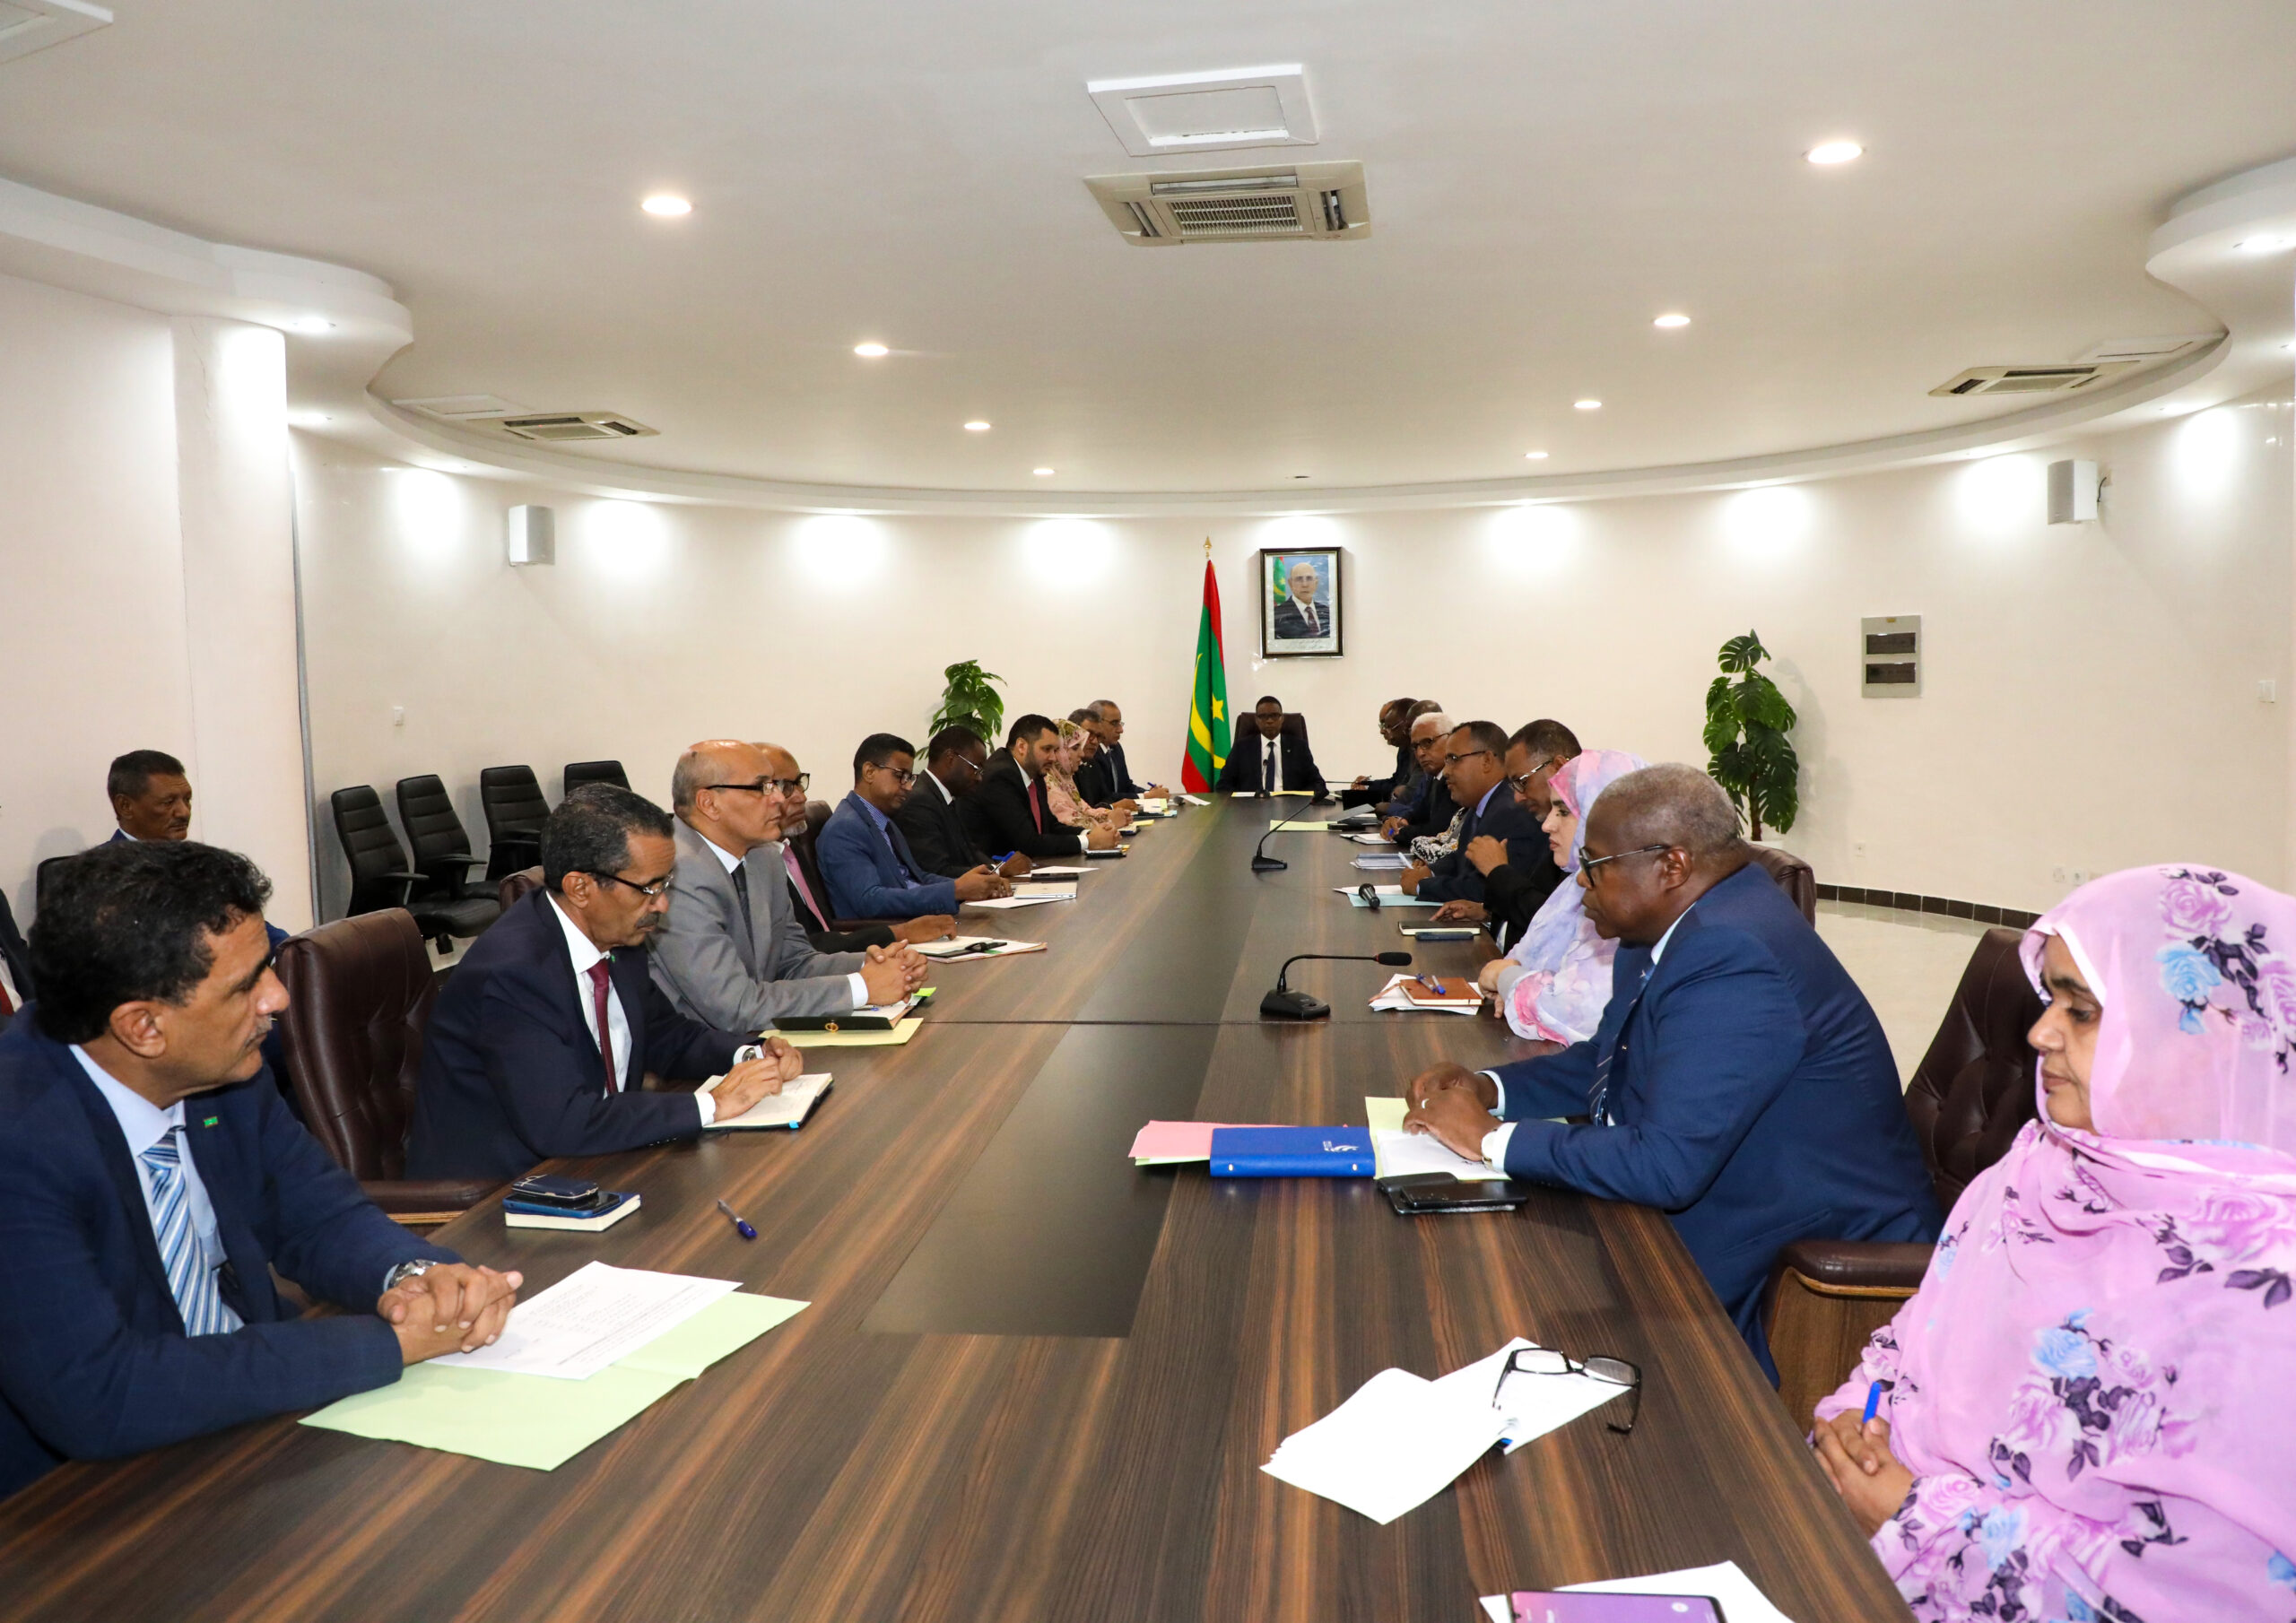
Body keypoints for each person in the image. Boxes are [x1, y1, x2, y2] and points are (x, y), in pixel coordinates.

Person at [1813, 866, 2296, 1622]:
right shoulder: (2038, 1169)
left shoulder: (2264, 1291)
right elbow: (1907, 1349)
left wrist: (1918, 1517)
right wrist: (1853, 1422)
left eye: (2082, 1010)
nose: (2040, 1033)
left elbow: (2198, 1593)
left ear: (2205, 1037)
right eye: (2050, 1001)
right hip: (1853, 1551)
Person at [0, 839, 522, 1499]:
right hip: (75, 1500)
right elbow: (103, 1394)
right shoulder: (19, 1145)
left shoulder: (221, 1070)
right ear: (143, 1028)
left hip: (247, 1426)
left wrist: (416, 1278)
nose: (277, 998)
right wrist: (389, 1344)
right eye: (247, 985)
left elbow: (316, 1216)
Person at [1402, 764, 1939, 1376]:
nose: (1581, 882)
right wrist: (1490, 1088)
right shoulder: (1663, 926)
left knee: (1503, 1316)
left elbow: (1667, 1166)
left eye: (1596, 864)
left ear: (1671, 866)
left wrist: (1490, 1139)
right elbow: (1613, 1056)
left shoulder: (1734, 954)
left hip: (1808, 1264)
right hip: (1724, 1199)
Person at [404, 784, 802, 1184]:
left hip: (597, 1160)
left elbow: (666, 1036)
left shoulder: (616, 934)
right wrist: (712, 1104)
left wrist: (750, 1054)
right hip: (503, 1192)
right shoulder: (512, 974)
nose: (662, 904)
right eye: (649, 888)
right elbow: (563, 1122)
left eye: (666, 884)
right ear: (581, 888)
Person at [650, 740, 928, 1034]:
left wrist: (878, 965)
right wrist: (861, 987)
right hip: (700, 1052)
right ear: (709, 803)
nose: (778, 799)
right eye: (762, 788)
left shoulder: (764, 856)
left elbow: (795, 962)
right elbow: (734, 1006)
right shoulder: (672, 873)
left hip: (763, 1038)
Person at [1476, 750, 1647, 1044]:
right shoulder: (1573, 886)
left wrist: (1506, 981)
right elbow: (1519, 963)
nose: (1547, 824)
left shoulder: (1627, 897)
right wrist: (1510, 985)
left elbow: (1577, 1011)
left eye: (1564, 812)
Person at [757, 744, 952, 950]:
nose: (802, 797)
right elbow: (798, 947)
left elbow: (915, 877)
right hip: (838, 953)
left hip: (837, 954)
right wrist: (900, 933)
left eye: (799, 783)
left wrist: (955, 890)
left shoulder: (790, 847)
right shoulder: (844, 827)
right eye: (785, 786)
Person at [818, 733, 1010, 921]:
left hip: (916, 921)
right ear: (869, 772)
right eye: (900, 775)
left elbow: (918, 878)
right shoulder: (845, 828)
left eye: (910, 777)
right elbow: (871, 901)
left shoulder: (884, 821)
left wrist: (974, 885)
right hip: (886, 933)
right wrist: (955, 890)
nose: (909, 787)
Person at [1425, 719, 1580, 945]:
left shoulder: (1588, 839)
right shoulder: (1545, 822)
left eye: (1521, 781)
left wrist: (1497, 871)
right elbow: (1541, 903)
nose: (1517, 797)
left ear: (1557, 767)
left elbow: (1560, 924)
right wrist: (1487, 913)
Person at [1401, 721, 1549, 909]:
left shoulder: (1512, 811)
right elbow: (1463, 858)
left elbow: (1487, 888)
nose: (1446, 771)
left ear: (1486, 760)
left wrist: (1422, 886)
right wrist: (1430, 871)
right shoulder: (1483, 803)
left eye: (1453, 759)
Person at [962, 715, 1121, 859]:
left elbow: (1050, 826)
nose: (1053, 758)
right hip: (996, 870)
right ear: (1022, 746)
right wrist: (1088, 842)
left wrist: (1091, 833)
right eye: (1047, 749)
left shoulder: (1035, 773)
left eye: (1055, 750)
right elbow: (1028, 842)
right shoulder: (1001, 776)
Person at [891, 726, 1034, 883]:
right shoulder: (920, 803)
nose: (979, 778)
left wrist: (999, 866)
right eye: (976, 768)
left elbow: (970, 852)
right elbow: (936, 871)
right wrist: (998, 871)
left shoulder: (947, 797)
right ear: (950, 759)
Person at [1214, 696, 1327, 798]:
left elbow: (1318, 783)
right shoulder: (1241, 748)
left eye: (1274, 716)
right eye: (1263, 717)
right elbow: (1223, 786)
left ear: (1282, 718)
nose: (1269, 721)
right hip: (1251, 807)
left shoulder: (1299, 747)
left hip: (1290, 807)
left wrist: (1297, 801)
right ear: (1256, 720)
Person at [1380, 708, 1456, 842]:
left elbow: (1438, 832)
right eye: (1415, 746)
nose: (1420, 753)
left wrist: (1398, 832)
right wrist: (1396, 821)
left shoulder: (1456, 779)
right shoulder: (1433, 777)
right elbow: (1417, 813)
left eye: (1428, 742)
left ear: (1450, 739)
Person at [1048, 719, 1130, 833]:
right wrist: (1110, 821)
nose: (1081, 754)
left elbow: (1084, 810)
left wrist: (1109, 814)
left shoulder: (1064, 780)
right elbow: (1068, 823)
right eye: (1075, 748)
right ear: (1058, 750)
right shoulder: (1047, 785)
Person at [1083, 699, 1167, 802]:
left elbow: (1127, 786)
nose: (1120, 730)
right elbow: (1104, 797)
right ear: (1097, 723)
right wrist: (1147, 797)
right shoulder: (1090, 753)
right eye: (1114, 723)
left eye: (1120, 723)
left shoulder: (1116, 748)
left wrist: (1150, 793)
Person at [1343, 697, 1418, 807]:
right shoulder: (1404, 750)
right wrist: (1367, 785)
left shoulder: (1421, 754)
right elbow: (1397, 782)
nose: (1382, 731)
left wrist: (1389, 809)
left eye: (1387, 725)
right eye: (1383, 724)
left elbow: (1409, 793)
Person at [107, 751, 194, 843]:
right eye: (168, 802)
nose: (184, 813)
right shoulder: (107, 853)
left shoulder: (196, 852)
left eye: (187, 800)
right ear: (125, 806)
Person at [1270, 557, 1332, 640]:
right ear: (1290, 583)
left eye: (1309, 578)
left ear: (1316, 583)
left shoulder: (1327, 613)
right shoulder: (1277, 616)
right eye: (1299, 579)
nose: (1305, 584)